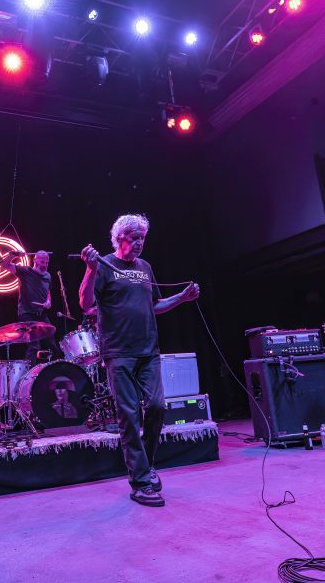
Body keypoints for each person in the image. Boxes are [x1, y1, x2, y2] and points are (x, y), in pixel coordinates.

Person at [79, 214, 199, 507]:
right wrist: (90, 270)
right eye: (134, 238)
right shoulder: (104, 264)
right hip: (119, 352)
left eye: (142, 238)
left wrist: (181, 298)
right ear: (120, 238)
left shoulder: (145, 267)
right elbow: (85, 303)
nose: (139, 243)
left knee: (157, 406)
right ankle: (141, 482)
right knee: (129, 416)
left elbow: (155, 305)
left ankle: (146, 464)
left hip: (148, 350)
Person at [0, 250, 55, 363]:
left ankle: (54, 370)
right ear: (35, 260)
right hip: (27, 314)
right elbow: (4, 265)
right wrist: (12, 256)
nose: (44, 265)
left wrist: (48, 302)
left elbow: (48, 292)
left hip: (41, 314)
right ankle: (30, 372)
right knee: (34, 346)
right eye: (42, 262)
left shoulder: (48, 276)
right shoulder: (25, 271)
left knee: (52, 343)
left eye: (47, 263)